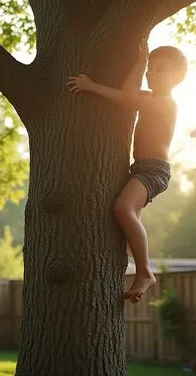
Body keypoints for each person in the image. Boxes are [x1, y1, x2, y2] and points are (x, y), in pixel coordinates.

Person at [66, 45, 187, 303]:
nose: (151, 73)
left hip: (154, 170)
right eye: (149, 68)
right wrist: (139, 65)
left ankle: (145, 272)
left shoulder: (167, 104)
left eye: (160, 69)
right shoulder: (152, 97)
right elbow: (127, 92)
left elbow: (128, 98)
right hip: (140, 168)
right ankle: (138, 274)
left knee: (123, 209)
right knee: (128, 228)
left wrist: (93, 86)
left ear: (177, 77)